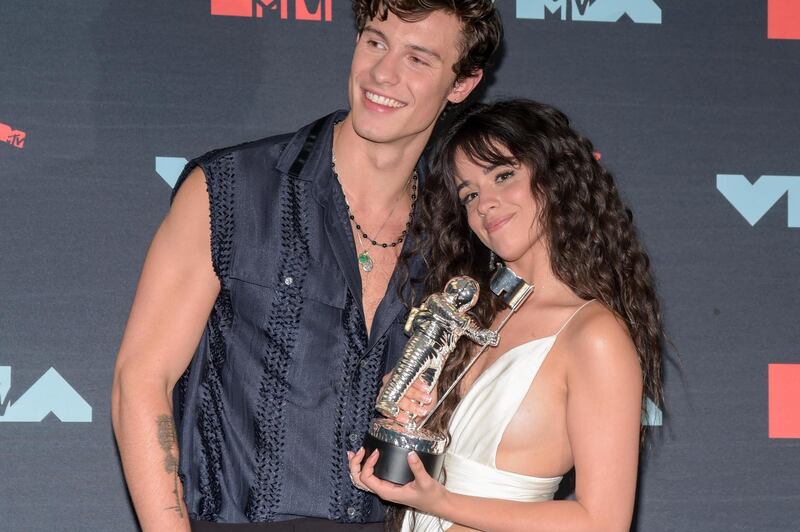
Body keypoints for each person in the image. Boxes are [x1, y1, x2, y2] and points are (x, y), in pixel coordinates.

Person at [110, 1, 502, 530]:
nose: (383, 73)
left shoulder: (465, 232)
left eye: (418, 59)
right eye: (375, 42)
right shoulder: (231, 189)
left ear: (462, 83)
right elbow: (141, 379)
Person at [348, 99, 664, 531]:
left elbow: (602, 522)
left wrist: (439, 501)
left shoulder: (594, 334)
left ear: (555, 177)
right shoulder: (471, 316)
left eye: (503, 175)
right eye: (471, 193)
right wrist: (402, 431)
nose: (485, 204)